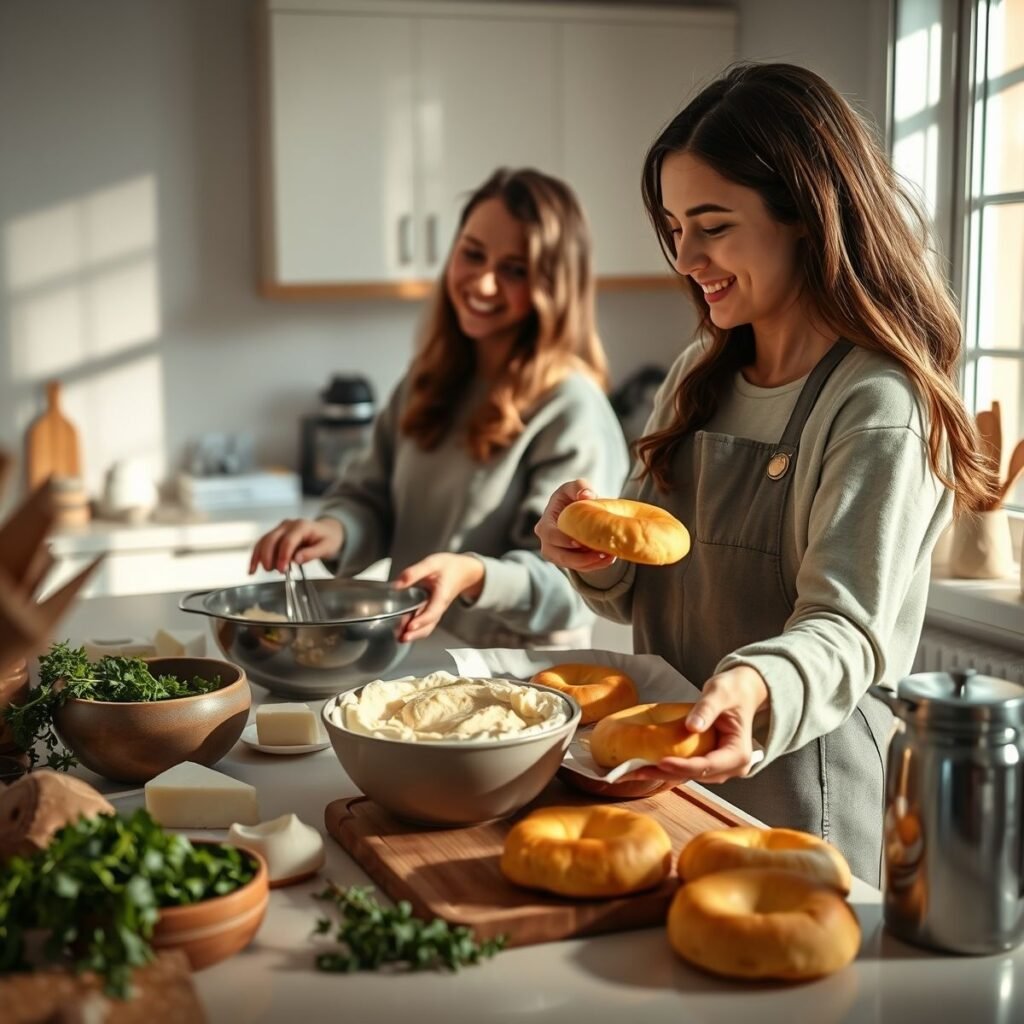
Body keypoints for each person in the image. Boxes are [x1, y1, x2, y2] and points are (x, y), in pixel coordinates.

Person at [535, 63, 997, 884]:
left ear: (807, 220)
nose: (686, 256)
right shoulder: (697, 376)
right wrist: (592, 556)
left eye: (713, 225)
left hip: (803, 804)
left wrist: (751, 685)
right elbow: (634, 590)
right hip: (673, 782)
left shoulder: (878, 404)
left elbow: (845, 629)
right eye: (675, 226)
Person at [250, 168, 629, 648]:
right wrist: (333, 530)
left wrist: (473, 575)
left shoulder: (571, 406)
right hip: (419, 655)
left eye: (514, 270)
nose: (483, 284)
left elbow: (573, 586)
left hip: (518, 674)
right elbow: (371, 500)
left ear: (555, 286)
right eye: (473, 254)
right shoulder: (426, 382)